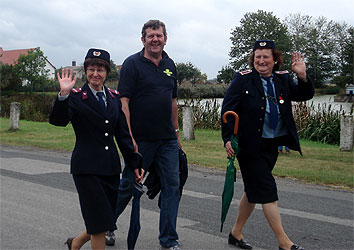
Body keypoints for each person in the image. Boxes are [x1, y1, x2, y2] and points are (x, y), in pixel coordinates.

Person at [221, 40, 314, 250]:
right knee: (267, 190)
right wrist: (228, 138)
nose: (261, 61)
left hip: (271, 146)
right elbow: (227, 110)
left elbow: (304, 95)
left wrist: (301, 75)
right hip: (249, 146)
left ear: (275, 60)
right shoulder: (243, 80)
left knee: (253, 190)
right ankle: (284, 242)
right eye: (257, 57)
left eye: (266, 57)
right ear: (253, 59)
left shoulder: (282, 79)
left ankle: (235, 234)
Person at [49, 48, 143, 250]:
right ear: (86, 71)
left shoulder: (115, 98)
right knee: (100, 222)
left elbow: (123, 136)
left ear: (107, 72)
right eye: (91, 69)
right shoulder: (75, 96)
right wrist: (63, 95)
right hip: (86, 168)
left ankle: (75, 243)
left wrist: (135, 163)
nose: (95, 74)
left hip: (110, 168)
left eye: (100, 69)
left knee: (104, 218)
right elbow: (58, 121)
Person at [105, 20, 182, 250]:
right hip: (141, 140)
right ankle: (107, 225)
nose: (155, 39)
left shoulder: (170, 65)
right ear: (143, 40)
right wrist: (130, 140)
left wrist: (177, 133)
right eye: (150, 36)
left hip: (167, 139)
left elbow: (173, 101)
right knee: (128, 186)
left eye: (159, 35)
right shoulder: (132, 64)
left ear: (165, 38)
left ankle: (168, 240)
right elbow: (124, 102)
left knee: (172, 185)